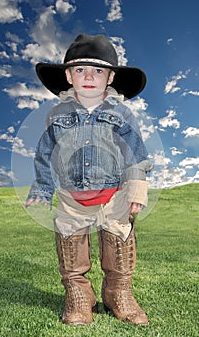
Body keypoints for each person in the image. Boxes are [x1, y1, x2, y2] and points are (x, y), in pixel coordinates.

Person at [26, 34, 153, 326]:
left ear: (110, 77)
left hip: (115, 194)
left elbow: (136, 153)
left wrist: (136, 188)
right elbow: (45, 152)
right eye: (80, 69)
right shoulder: (57, 114)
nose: (89, 76)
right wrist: (43, 187)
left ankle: (117, 292)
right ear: (68, 75)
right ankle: (79, 294)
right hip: (72, 196)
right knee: (70, 240)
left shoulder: (121, 113)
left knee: (118, 237)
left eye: (98, 70)